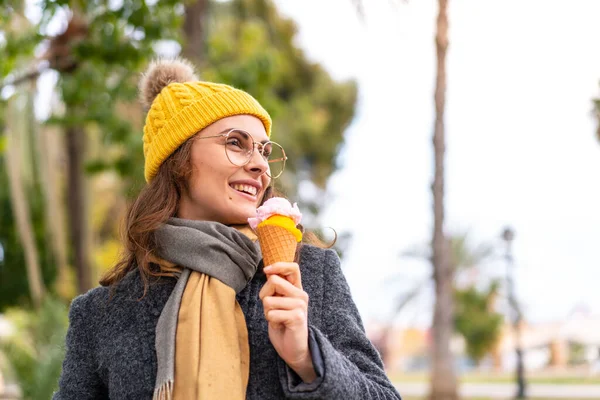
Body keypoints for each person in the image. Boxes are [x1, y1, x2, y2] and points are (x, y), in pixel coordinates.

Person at [53, 58, 402, 400]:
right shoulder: (102, 313)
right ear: (179, 159)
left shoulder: (309, 274)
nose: (259, 165)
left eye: (265, 151)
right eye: (236, 143)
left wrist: (307, 357)